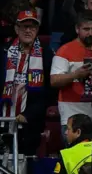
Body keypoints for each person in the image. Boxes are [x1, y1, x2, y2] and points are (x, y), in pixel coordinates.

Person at [51, 10, 92, 141]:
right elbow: (54, 80)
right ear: (77, 29)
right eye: (86, 29)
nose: (90, 33)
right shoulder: (64, 51)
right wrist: (76, 74)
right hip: (72, 119)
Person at [0, 9, 53, 154]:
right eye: (25, 26)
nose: (28, 30)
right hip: (3, 119)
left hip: (31, 123)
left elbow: (48, 91)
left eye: (33, 27)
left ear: (37, 30)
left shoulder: (46, 54)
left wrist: (28, 115)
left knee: (27, 165)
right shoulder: (4, 52)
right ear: (17, 29)